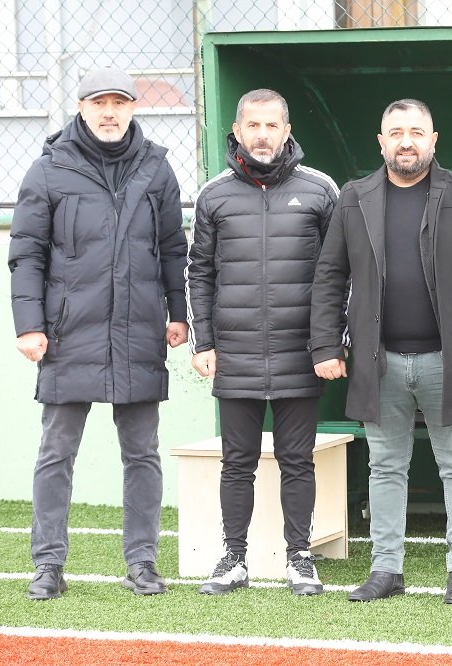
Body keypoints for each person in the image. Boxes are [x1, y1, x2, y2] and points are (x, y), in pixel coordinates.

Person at [310, 98, 452, 605]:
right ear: (381, 142)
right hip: (380, 361)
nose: (406, 142)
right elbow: (330, 276)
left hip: (450, 359)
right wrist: (326, 344)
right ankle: (386, 569)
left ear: (433, 139)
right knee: (385, 467)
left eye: (416, 132)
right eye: (396, 133)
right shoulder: (354, 198)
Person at [9, 66, 188, 600]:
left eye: (119, 102)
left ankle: (142, 563)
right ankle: (48, 565)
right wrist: (30, 326)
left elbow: (173, 248)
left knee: (142, 454)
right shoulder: (48, 170)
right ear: (81, 107)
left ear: (133, 107)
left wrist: (178, 314)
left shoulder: (157, 168)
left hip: (139, 332)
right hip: (68, 334)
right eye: (98, 103)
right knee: (56, 452)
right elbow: (26, 254)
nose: (109, 113)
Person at [186, 88, 339, 597]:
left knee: (298, 461)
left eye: (272, 125)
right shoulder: (214, 195)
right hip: (235, 353)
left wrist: (330, 342)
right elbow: (199, 273)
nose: (262, 135)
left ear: (287, 130)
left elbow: (340, 272)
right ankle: (233, 559)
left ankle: (300, 559)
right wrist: (203, 343)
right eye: (253, 125)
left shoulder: (320, 189)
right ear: (237, 130)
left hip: (302, 353)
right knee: (237, 463)